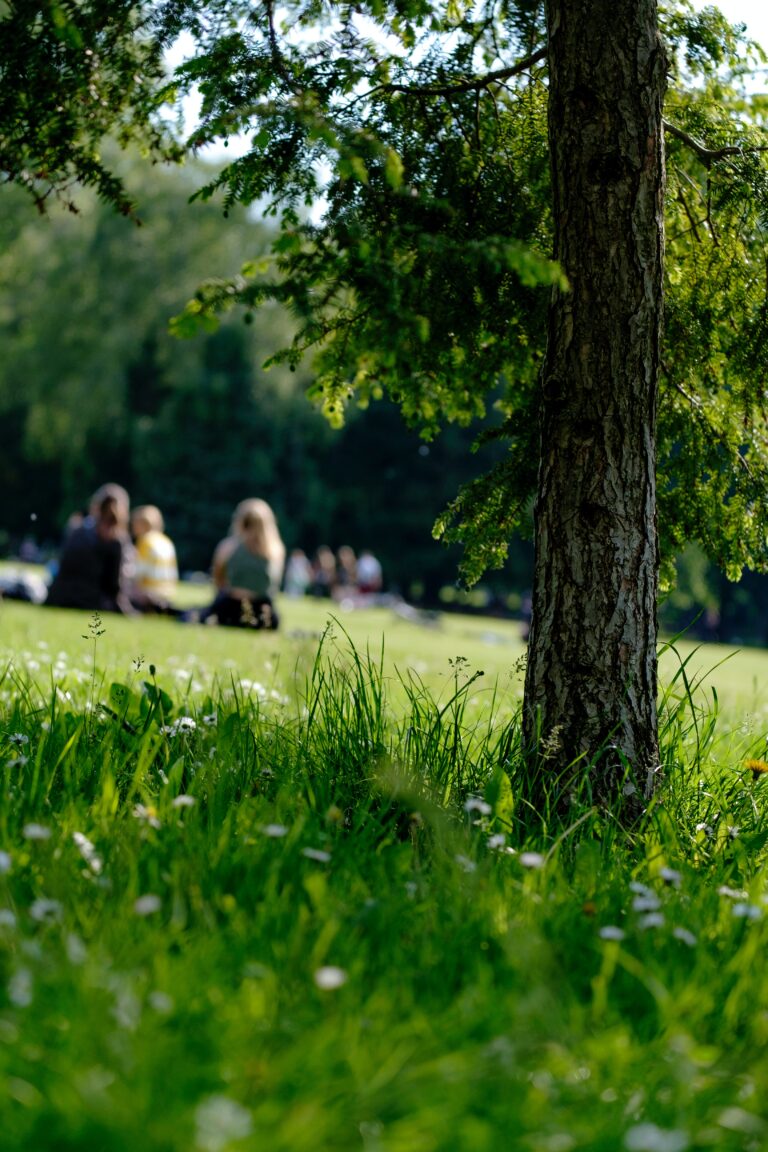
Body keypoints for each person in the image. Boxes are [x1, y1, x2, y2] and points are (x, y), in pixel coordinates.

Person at [45, 483, 135, 613]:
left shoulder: (76, 530)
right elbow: (114, 588)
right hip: (91, 601)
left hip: (59, 597)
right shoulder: (116, 541)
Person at [199, 498, 285, 629]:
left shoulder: (228, 546)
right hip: (262, 612)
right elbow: (273, 587)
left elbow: (218, 581)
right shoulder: (276, 550)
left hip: (229, 608)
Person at [130, 504, 179, 613]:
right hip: (168, 594)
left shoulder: (145, 541)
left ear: (142, 524)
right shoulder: (167, 541)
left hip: (149, 594)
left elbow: (137, 574)